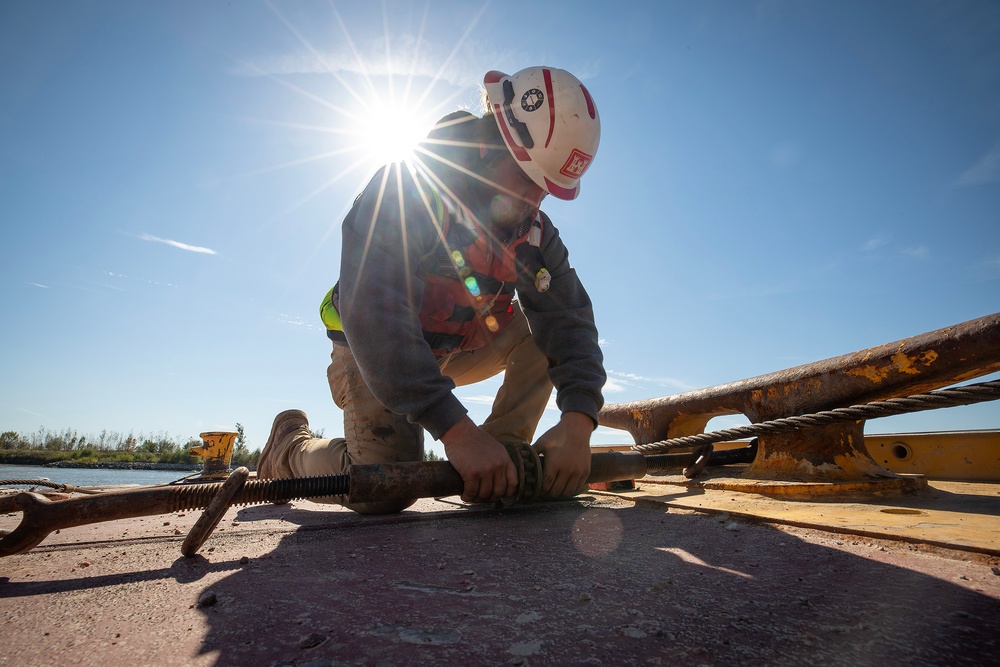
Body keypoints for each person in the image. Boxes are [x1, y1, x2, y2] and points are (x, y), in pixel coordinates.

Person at [257, 66, 607, 514]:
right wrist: (457, 432)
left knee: (541, 333)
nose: (534, 201)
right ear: (489, 143)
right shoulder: (405, 190)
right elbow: (377, 317)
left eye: (545, 189)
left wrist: (579, 422)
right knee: (387, 487)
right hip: (372, 353)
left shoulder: (534, 233)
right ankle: (289, 450)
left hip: (454, 352)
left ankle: (499, 456)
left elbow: (569, 322)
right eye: (526, 179)